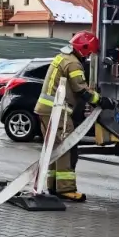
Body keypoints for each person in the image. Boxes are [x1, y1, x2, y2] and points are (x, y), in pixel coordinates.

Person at [33, 31, 102, 201]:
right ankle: (66, 189)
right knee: (66, 147)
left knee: (54, 148)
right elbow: (81, 89)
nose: (89, 56)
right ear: (84, 49)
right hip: (57, 111)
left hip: (45, 109)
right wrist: (100, 100)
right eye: (90, 52)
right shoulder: (73, 64)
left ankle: (53, 185)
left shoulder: (62, 58)